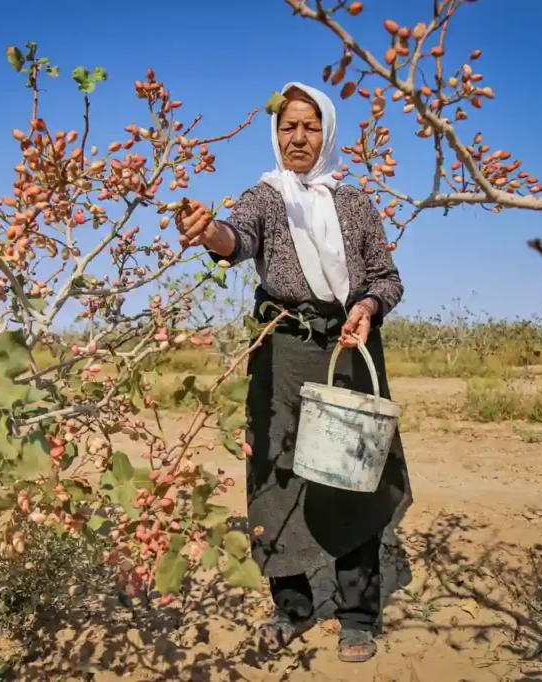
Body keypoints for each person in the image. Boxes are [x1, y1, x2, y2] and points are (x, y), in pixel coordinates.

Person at [175, 82, 412, 663]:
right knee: (277, 478)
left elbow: (386, 277)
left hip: (348, 352)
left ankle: (358, 615)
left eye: (309, 127)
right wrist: (209, 232)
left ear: (326, 132)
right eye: (288, 127)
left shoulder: (354, 203)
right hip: (281, 355)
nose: (297, 138)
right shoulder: (264, 196)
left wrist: (366, 307)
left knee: (352, 478)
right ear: (275, 134)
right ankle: (293, 606)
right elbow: (236, 238)